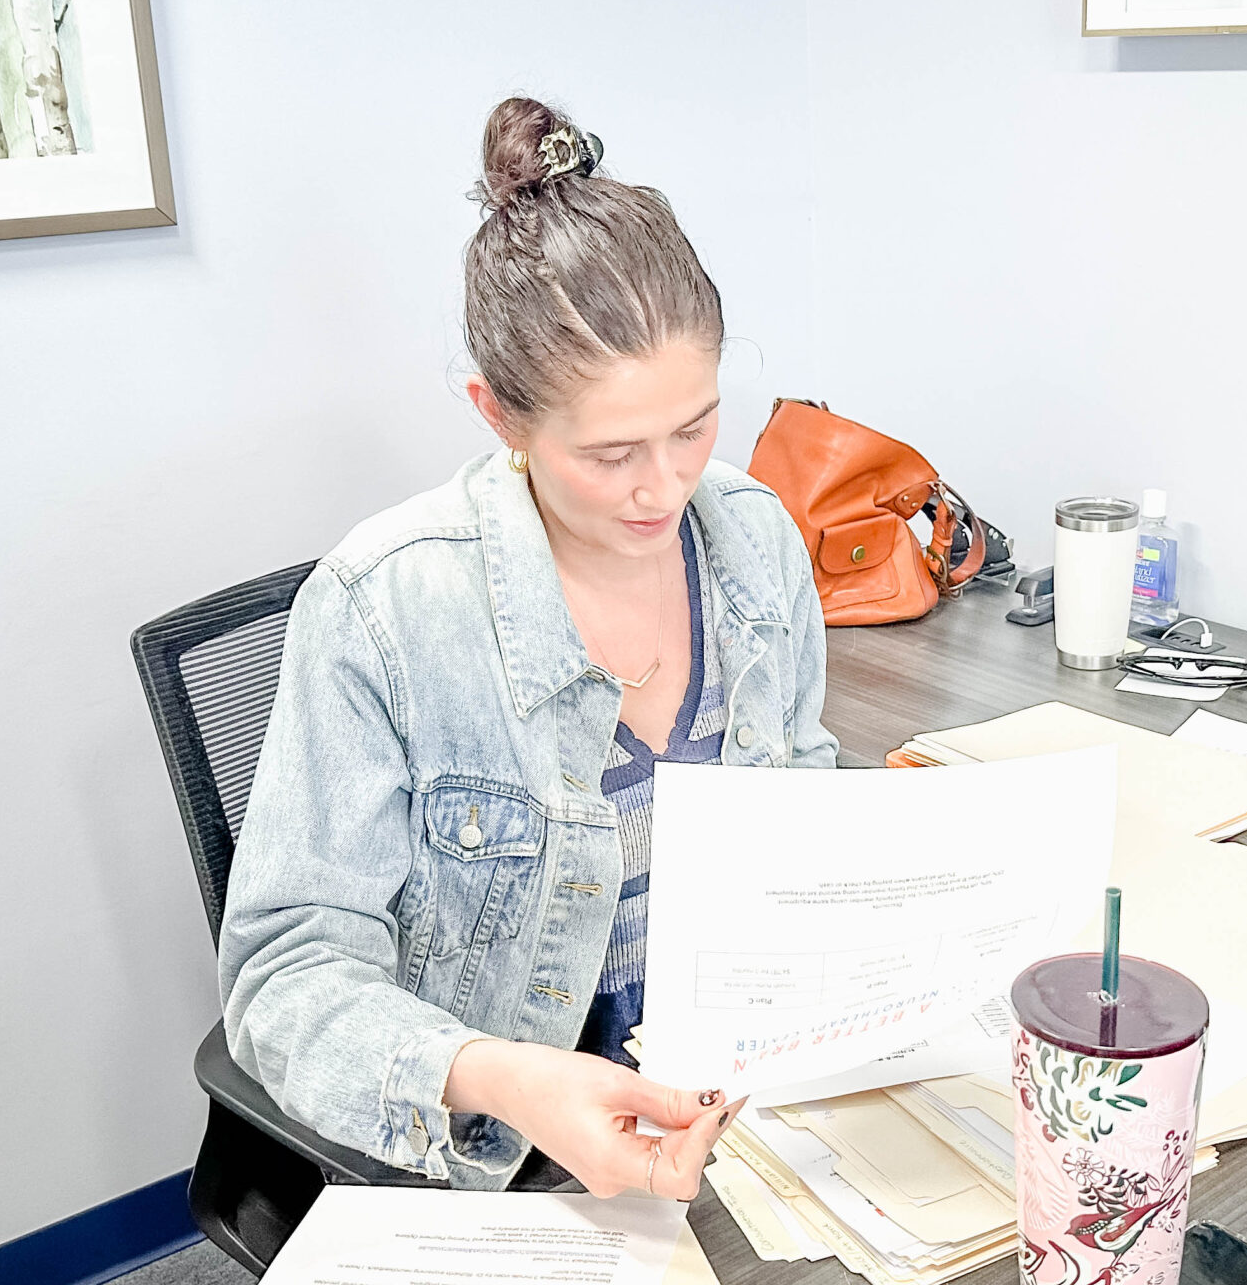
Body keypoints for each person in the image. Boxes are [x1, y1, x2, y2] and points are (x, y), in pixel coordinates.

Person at [218, 97, 837, 1200]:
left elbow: (806, 811)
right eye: (611, 453)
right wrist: (510, 1081)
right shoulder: (384, 609)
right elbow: (284, 981)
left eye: (693, 427)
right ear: (499, 416)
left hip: (744, 1120)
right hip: (514, 1163)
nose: (665, 487)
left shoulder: (753, 542)